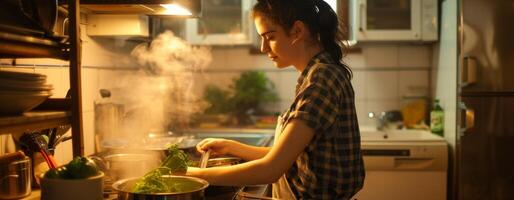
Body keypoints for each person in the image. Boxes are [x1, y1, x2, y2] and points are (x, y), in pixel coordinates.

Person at [186, 0, 365, 199]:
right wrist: (231, 146)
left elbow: (271, 169)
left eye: (270, 37)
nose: (263, 48)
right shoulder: (318, 74)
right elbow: (288, 156)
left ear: (297, 31)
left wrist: (189, 175)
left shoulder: (321, 80)